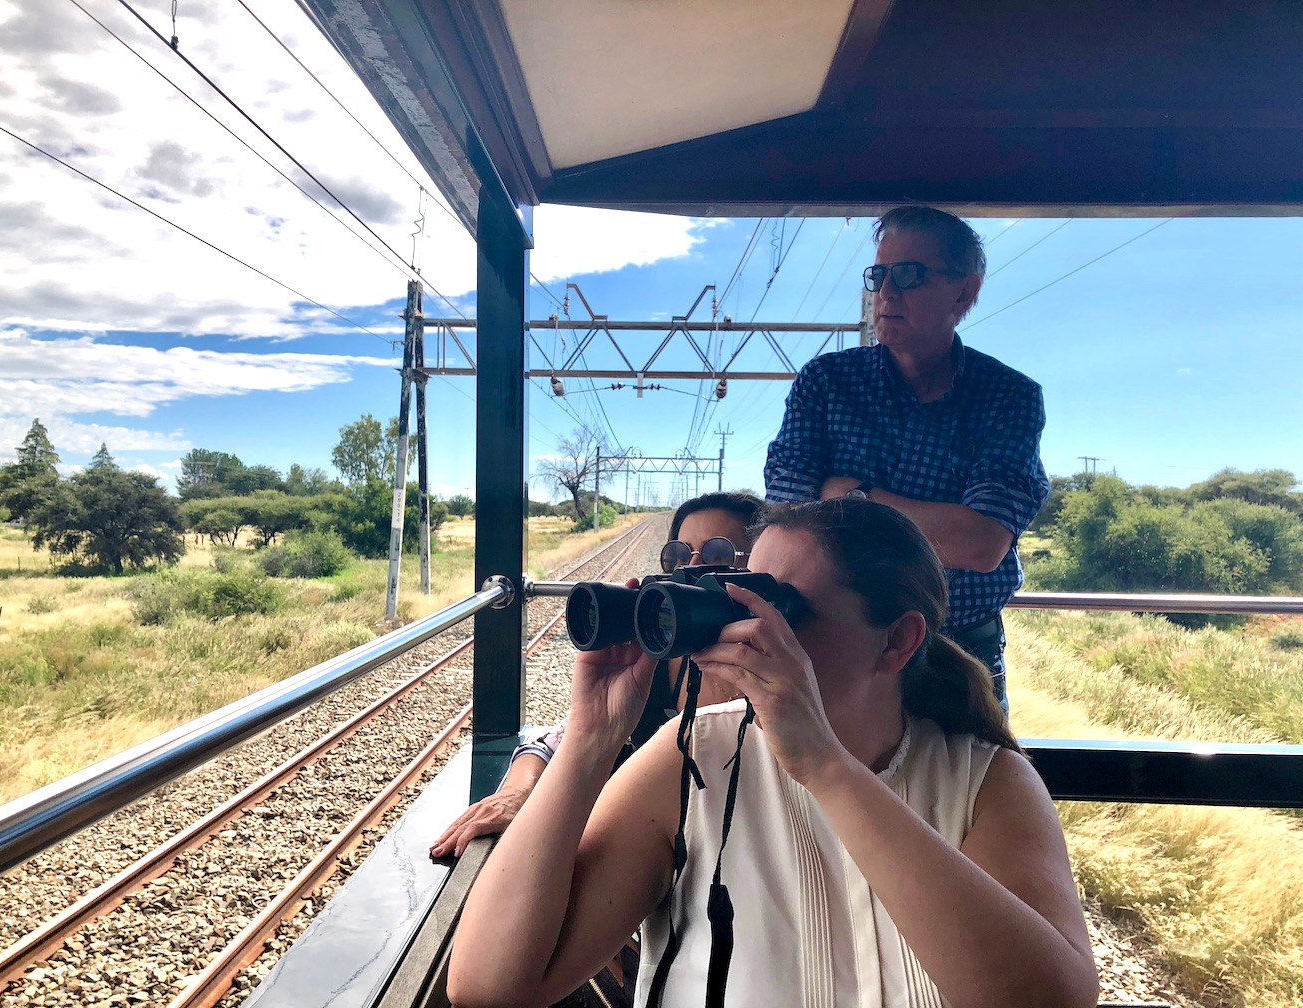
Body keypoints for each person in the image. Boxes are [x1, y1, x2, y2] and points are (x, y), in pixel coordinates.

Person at [448, 497, 1097, 1008]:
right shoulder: (691, 757)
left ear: (897, 642)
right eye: (746, 597)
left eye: (783, 610)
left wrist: (825, 767)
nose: (750, 629)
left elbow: (1051, 998)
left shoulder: (987, 782)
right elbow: (491, 987)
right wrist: (590, 737)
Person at [764, 206, 1049, 714]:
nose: (886, 293)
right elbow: (787, 521)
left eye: (910, 274)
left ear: (965, 292)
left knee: (969, 791)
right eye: (879, 274)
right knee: (822, 790)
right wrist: (937, 521)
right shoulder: (826, 383)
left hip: (960, 650)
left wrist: (851, 497)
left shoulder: (1009, 396)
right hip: (834, 644)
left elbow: (982, 544)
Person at [430, 491, 766, 860]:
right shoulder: (656, 655)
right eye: (680, 556)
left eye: (719, 556)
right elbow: (557, 738)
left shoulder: (775, 680)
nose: (692, 570)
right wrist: (517, 792)